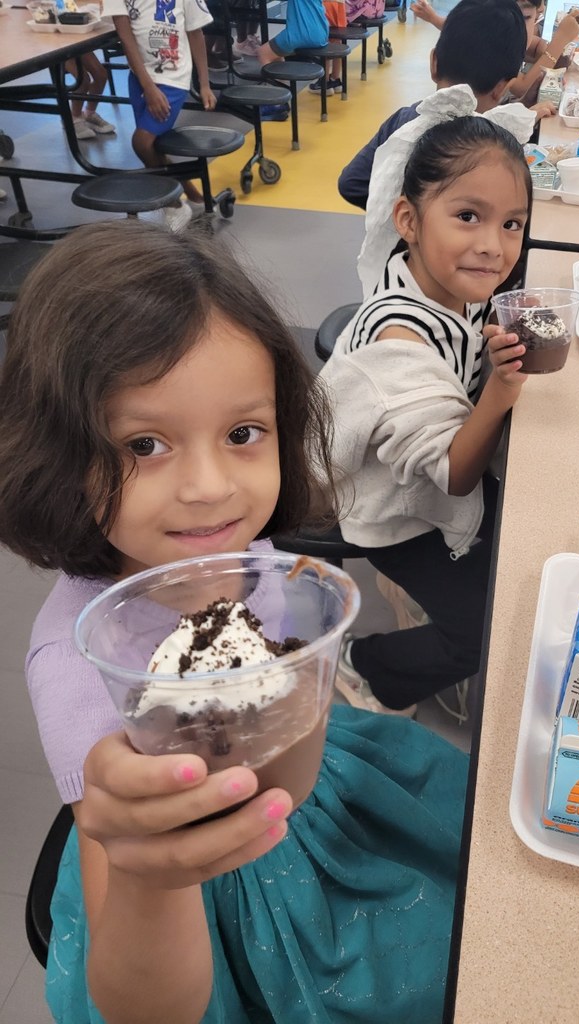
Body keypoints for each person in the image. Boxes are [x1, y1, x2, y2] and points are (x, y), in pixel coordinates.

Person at [0, 221, 468, 1024]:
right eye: (145, 444)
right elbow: (145, 1006)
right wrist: (151, 880)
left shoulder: (244, 551)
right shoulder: (78, 667)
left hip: (312, 790)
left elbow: (289, 716)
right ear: (58, 454)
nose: (212, 487)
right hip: (200, 888)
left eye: (243, 434)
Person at [321, 95, 533, 714]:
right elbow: (454, 476)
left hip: (426, 457)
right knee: (484, 628)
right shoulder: (400, 337)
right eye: (468, 216)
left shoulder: (447, 279)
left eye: (512, 224)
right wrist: (501, 387)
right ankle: (367, 665)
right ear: (408, 220)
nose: (493, 246)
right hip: (391, 507)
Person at [338, 0, 539, 210]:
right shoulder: (494, 147)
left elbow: (351, 183)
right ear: (502, 88)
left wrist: (401, 214)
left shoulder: (404, 119)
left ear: (434, 62)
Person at [102, 0, 218, 231]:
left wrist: (204, 84)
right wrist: (147, 86)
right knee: (154, 146)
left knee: (142, 142)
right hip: (140, 78)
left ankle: (173, 205)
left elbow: (195, 32)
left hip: (173, 78)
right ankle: (194, 197)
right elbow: (126, 37)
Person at [410, 0, 579, 105]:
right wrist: (560, 40)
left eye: (537, 17)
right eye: (526, 17)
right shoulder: (496, 41)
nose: (530, 26)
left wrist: (552, 54)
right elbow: (522, 86)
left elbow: (536, 47)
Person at [252, 0, 329, 67]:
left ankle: (277, 79)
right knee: (276, 54)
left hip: (301, 33)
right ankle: (281, 78)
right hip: (321, 31)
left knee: (263, 53)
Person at [65, 52, 116, 140]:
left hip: (77, 45)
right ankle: (74, 117)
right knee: (83, 79)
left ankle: (89, 114)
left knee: (101, 75)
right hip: (57, 47)